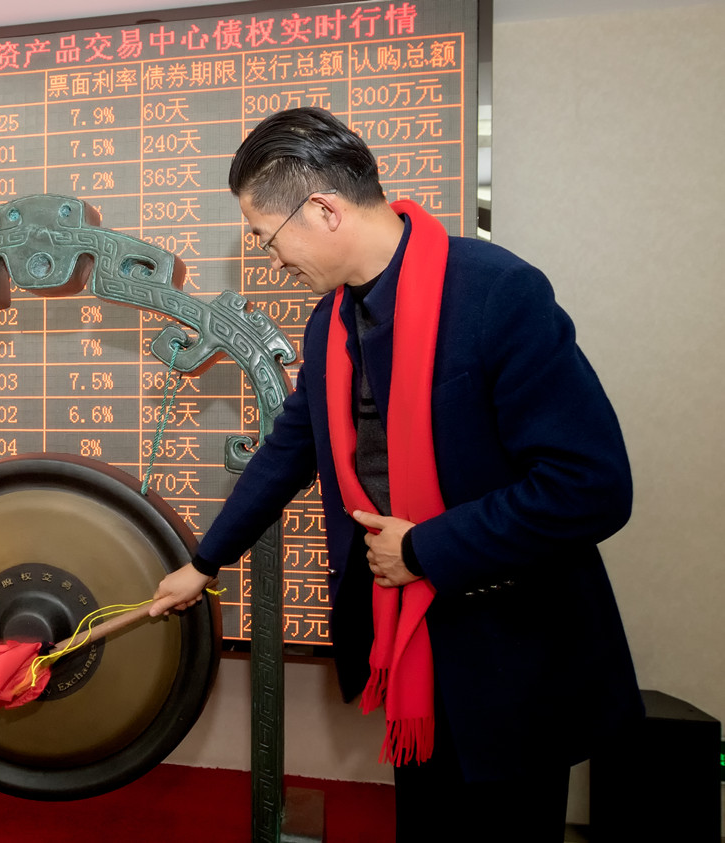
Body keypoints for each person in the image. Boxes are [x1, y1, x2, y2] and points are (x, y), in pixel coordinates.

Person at [149, 108, 642, 842]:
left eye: (266, 237)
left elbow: (590, 485)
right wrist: (203, 562)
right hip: (412, 644)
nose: (272, 260)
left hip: (514, 654)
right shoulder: (331, 324)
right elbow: (289, 449)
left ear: (324, 210)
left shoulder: (495, 292)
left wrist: (422, 549)